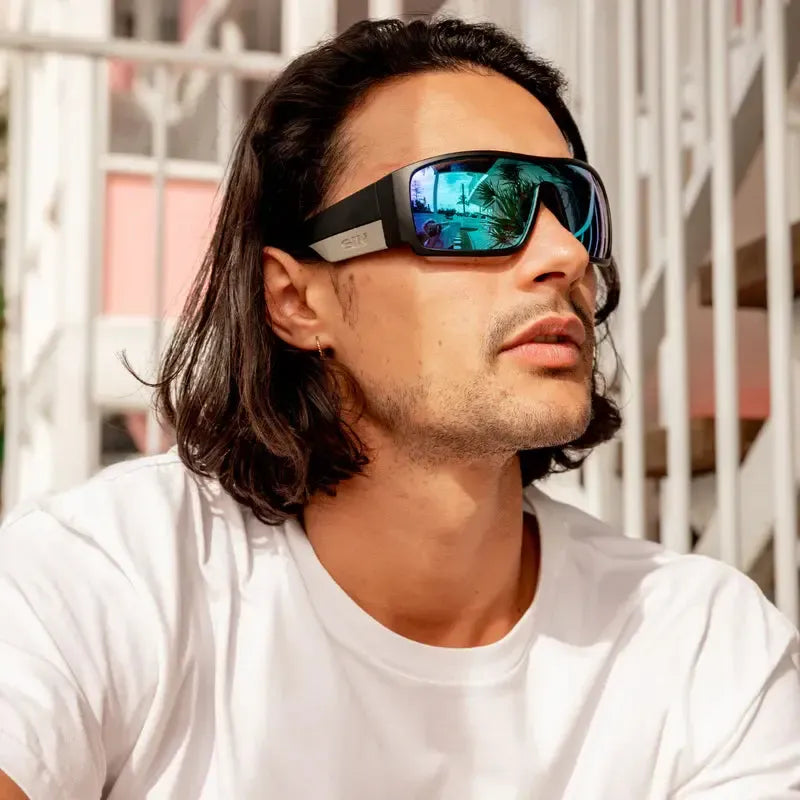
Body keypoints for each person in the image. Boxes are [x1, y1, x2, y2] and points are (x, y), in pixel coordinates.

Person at [0, 16, 798, 800]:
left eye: (573, 205)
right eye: (470, 203)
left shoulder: (700, 643)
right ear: (297, 300)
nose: (565, 255)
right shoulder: (110, 577)